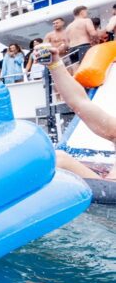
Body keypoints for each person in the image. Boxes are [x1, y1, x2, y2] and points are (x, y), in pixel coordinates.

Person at [34, 45, 116, 181]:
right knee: (59, 158)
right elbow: (80, 102)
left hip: (108, 198)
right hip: (106, 193)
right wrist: (55, 64)